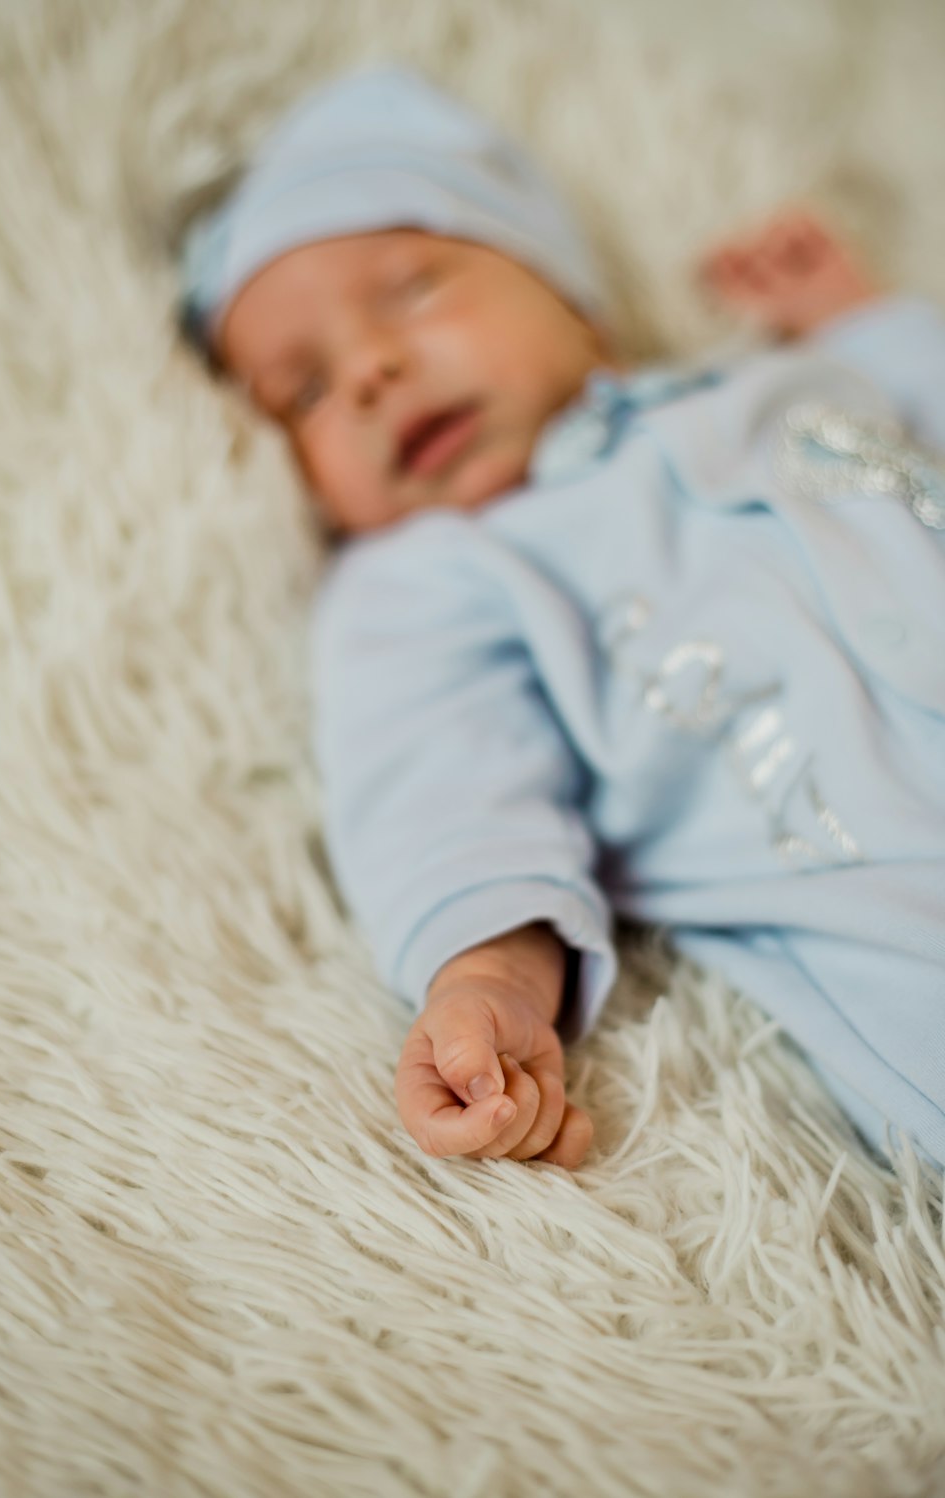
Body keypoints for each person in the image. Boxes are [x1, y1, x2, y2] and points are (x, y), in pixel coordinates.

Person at [180, 64, 945, 1172]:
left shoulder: (772, 385)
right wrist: (486, 975)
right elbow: (443, 783)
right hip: (885, 898)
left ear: (571, 297)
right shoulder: (432, 578)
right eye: (304, 392)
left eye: (411, 291)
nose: (372, 372)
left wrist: (868, 329)